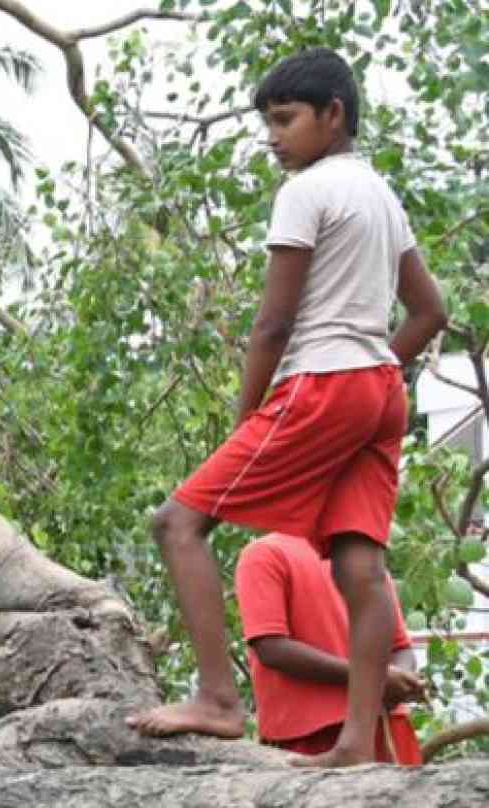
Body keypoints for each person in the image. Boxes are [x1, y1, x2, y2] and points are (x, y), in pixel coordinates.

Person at [130, 48, 446, 766]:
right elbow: (430, 310)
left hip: (324, 383)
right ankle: (358, 744)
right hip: (378, 392)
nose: (274, 137)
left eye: (285, 120)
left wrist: (248, 420)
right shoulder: (380, 195)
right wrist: (378, 370)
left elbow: (273, 326)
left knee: (179, 522)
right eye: (268, 122)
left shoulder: (306, 191)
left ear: (333, 115)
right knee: (358, 568)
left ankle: (216, 699)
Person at [237, 532, 427, 764]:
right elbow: (402, 650)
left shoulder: (263, 553)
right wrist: (386, 678)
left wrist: (391, 679)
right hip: (374, 727)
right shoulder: (362, 559)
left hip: (316, 737)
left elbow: (271, 647)